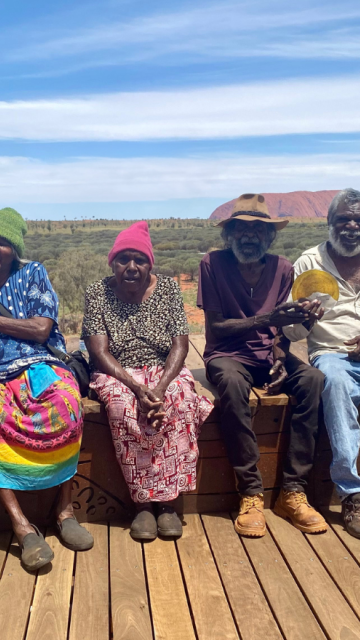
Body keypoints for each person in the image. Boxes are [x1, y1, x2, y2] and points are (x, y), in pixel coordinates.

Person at [197, 193, 327, 537]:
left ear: (270, 236)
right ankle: (251, 491)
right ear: (230, 234)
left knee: (314, 379)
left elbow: (284, 329)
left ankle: (293, 490)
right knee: (232, 384)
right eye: (241, 229)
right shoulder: (212, 264)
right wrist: (267, 317)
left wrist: (282, 354)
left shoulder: (283, 268)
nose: (249, 236)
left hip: (267, 356)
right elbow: (216, 328)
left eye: (258, 230)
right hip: (227, 355)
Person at [81, 221, 213, 541]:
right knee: (122, 410)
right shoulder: (98, 292)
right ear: (112, 262)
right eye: (123, 259)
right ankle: (142, 501)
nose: (131, 266)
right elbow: (99, 350)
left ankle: (167, 502)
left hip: (162, 369)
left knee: (180, 401)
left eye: (139, 260)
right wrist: (138, 388)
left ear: (149, 263)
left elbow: (180, 345)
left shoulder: (166, 288)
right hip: (117, 371)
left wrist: (159, 388)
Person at [0, 207, 93, 571]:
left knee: (67, 404)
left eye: (3, 242)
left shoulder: (32, 273)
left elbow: (41, 330)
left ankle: (64, 508)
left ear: (15, 247)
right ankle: (21, 526)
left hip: (38, 361)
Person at [283, 188, 360, 538]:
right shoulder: (309, 263)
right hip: (332, 354)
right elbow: (292, 332)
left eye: (358, 219)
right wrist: (306, 319)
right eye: (343, 219)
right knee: (335, 383)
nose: (352, 225)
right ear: (329, 223)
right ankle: (352, 493)